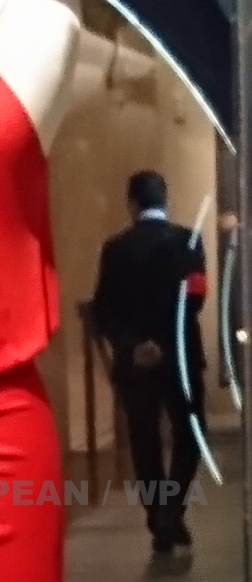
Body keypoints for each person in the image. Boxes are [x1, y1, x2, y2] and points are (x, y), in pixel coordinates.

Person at [91, 171, 207, 552]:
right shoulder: (190, 241)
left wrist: (135, 345)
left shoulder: (115, 249)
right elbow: (195, 299)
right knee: (190, 434)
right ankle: (172, 512)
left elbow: (104, 311)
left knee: (144, 440)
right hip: (181, 356)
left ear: (132, 204)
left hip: (136, 362)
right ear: (166, 200)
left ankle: (159, 515)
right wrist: (166, 342)